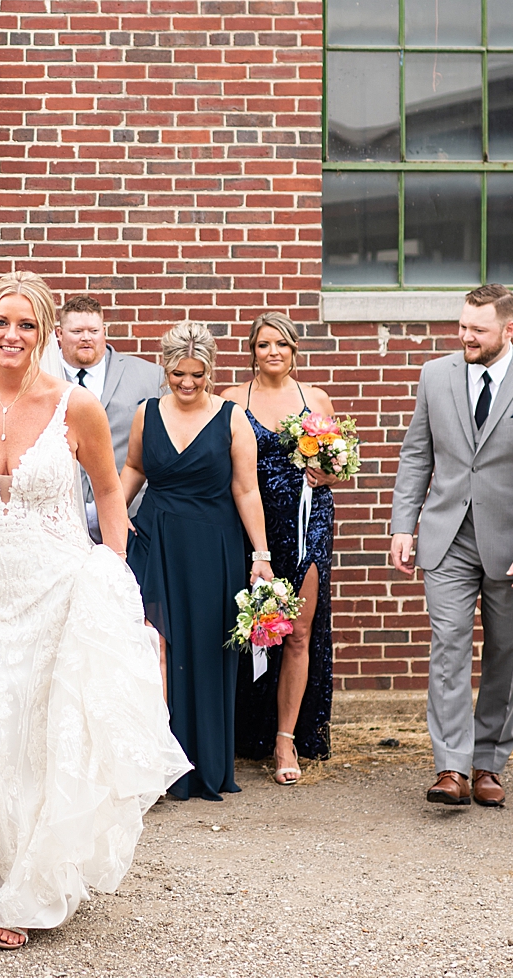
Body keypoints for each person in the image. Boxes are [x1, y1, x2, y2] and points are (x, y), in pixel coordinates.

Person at [0, 272, 189, 952]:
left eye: (27, 325)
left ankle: (26, 884)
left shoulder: (75, 406)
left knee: (37, 740)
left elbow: (110, 495)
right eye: (1, 322)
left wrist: (113, 574)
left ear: (46, 333)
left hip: (56, 586)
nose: (12, 335)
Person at [388, 284, 513, 810]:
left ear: (509, 329)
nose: (465, 336)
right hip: (447, 537)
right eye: (462, 326)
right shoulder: (435, 375)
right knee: (448, 647)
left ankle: (489, 762)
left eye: (478, 329)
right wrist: (403, 525)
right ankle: (451, 767)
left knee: (504, 653)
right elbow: (416, 455)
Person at [120, 322, 265, 802]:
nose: (187, 382)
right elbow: (134, 468)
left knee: (205, 649)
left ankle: (204, 767)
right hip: (156, 539)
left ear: (210, 370)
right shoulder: (146, 413)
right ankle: (158, 766)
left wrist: (261, 554)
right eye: (178, 373)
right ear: (165, 369)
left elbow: (246, 489)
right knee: (156, 648)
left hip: (212, 546)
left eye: (197, 374)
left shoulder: (232, 418)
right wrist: (114, 520)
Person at [223, 312, 339, 785]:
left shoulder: (315, 398)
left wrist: (329, 473)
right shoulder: (232, 400)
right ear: (252, 351)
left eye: (282, 344)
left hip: (309, 523)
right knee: (251, 627)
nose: (273, 352)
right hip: (250, 525)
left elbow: (337, 464)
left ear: (294, 350)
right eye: (264, 344)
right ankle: (242, 731)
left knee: (297, 631)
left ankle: (285, 738)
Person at [52, 294, 165, 540]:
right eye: (77, 331)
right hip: (59, 523)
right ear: (59, 334)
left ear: (104, 331)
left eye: (94, 330)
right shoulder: (41, 377)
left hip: (133, 520)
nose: (86, 338)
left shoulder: (151, 377)